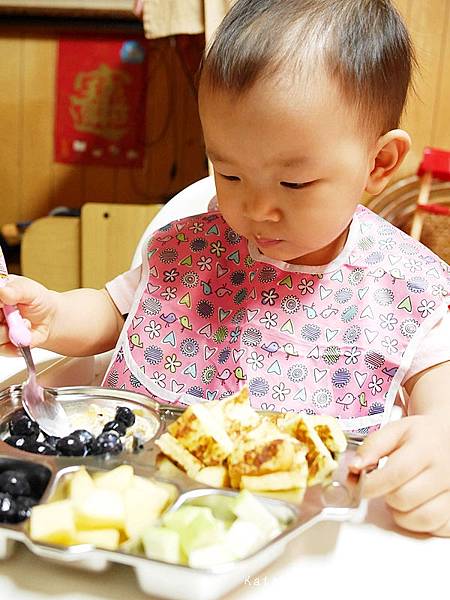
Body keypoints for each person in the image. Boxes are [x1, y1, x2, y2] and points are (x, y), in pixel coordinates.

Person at [0, 0, 449, 536]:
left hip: (309, 541)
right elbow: (116, 312)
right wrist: (52, 315)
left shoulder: (403, 289)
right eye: (229, 174)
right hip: (142, 515)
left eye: (294, 183)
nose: (257, 209)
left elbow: (440, 413)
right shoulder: (193, 248)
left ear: (378, 164)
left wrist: (438, 449)